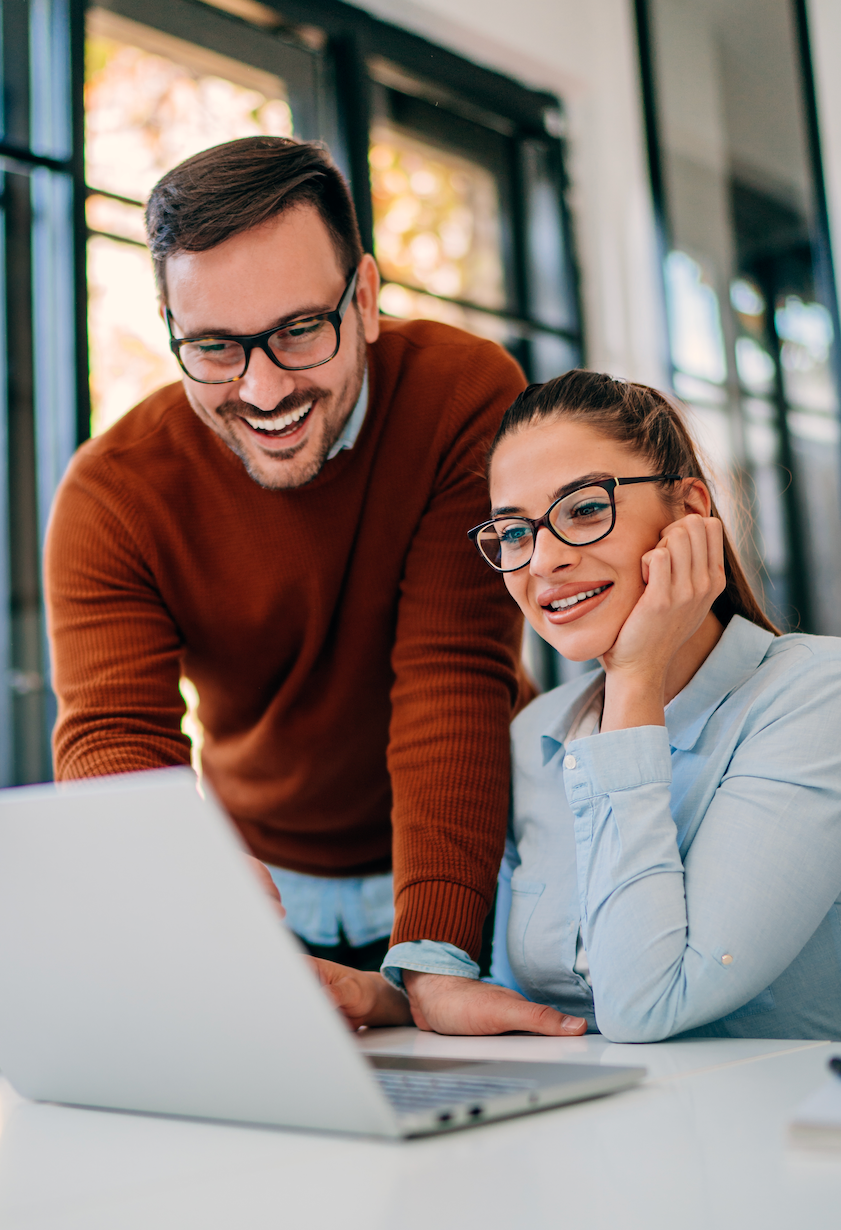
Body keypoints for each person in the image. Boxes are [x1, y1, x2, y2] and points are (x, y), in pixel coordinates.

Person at [45, 136, 582, 1038]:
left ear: (364, 299)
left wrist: (438, 956)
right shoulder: (114, 494)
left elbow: (451, 675)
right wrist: (182, 879)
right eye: (214, 347)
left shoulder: (464, 396)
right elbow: (112, 734)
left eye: (299, 330)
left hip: (478, 852)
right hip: (263, 883)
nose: (262, 389)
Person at [323, 368, 841, 1041]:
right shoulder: (536, 736)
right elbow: (545, 1003)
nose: (543, 561)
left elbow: (646, 1004)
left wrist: (635, 679)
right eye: (513, 533)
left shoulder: (813, 698)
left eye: (585, 509)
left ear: (689, 512)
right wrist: (382, 999)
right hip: (593, 1131)